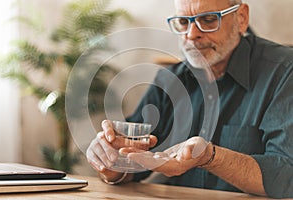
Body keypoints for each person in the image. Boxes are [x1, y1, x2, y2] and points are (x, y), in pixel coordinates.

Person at [86, 0, 293, 198]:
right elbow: (131, 162)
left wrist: (210, 157)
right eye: (184, 22)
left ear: (241, 18)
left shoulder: (284, 72)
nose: (192, 34)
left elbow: (286, 175)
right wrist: (111, 161)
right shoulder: (171, 79)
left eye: (209, 19)